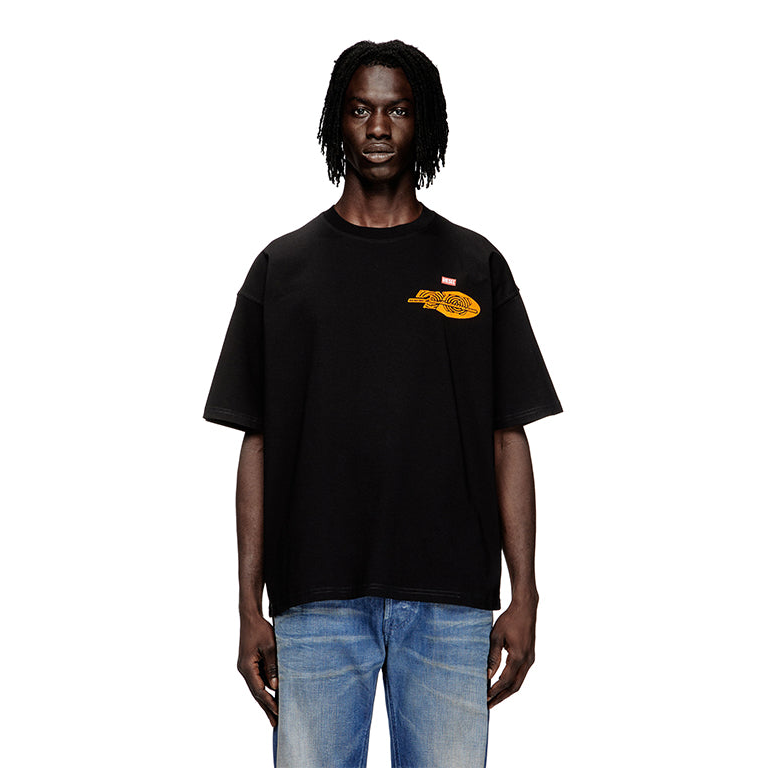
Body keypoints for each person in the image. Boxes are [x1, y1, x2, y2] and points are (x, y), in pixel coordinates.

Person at [203, 39, 563, 768]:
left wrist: (525, 593)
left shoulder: (475, 265)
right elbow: (256, 444)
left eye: (397, 110)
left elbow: (509, 436)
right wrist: (247, 607)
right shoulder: (283, 269)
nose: (377, 127)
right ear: (336, 122)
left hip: (451, 602)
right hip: (314, 601)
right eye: (360, 109)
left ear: (422, 122)